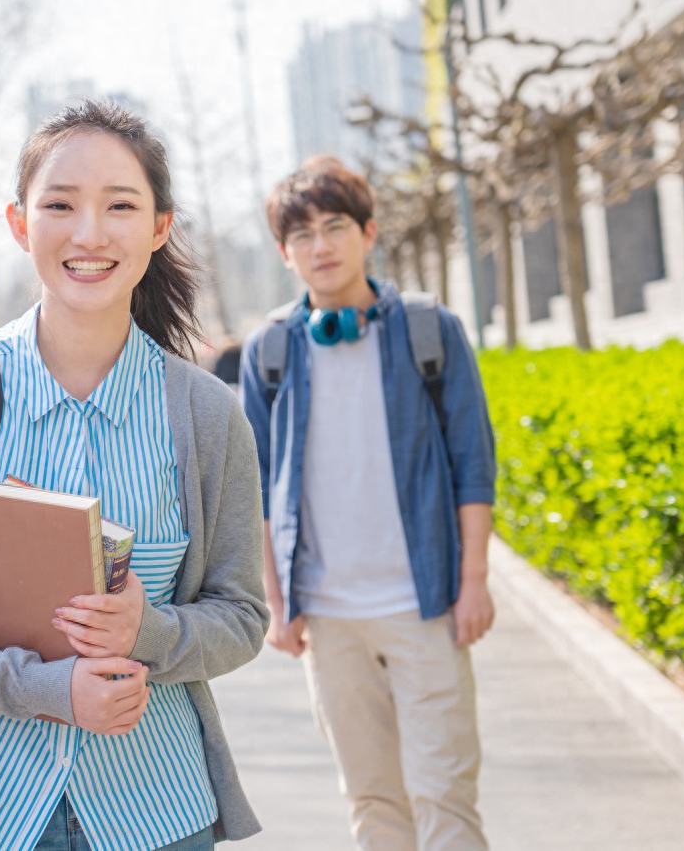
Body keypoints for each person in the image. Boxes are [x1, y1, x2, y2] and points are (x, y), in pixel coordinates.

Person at [0, 100, 268, 851]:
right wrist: (41, 690)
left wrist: (151, 630)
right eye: (60, 205)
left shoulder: (206, 414)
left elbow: (240, 616)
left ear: (159, 227)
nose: (90, 233)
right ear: (19, 224)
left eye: (121, 206)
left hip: (158, 812)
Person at [240, 156, 498, 850]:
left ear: (369, 232)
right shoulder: (270, 350)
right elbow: (261, 487)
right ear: (285, 254)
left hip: (425, 605)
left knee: (445, 796)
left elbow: (474, 463)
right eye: (301, 235)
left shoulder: (428, 331)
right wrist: (277, 601)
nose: (320, 246)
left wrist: (474, 582)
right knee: (373, 802)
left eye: (334, 227)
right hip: (328, 617)